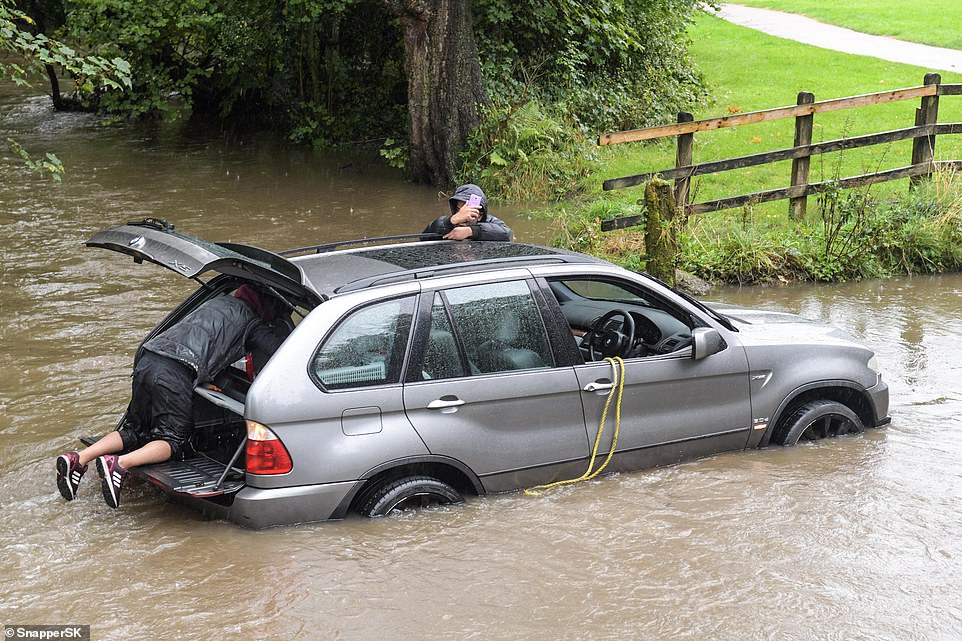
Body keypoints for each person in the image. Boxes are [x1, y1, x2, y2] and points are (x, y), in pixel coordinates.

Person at [55, 284, 291, 509]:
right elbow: (283, 354)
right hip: (176, 369)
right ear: (268, 304)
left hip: (149, 357)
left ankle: (78, 458)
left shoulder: (217, 301)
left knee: (136, 429)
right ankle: (119, 464)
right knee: (174, 441)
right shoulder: (252, 322)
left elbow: (207, 340)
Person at [423, 183, 512, 241]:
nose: (464, 215)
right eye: (460, 210)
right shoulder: (447, 223)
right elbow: (424, 238)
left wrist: (472, 231)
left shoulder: (490, 222)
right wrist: (452, 221)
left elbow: (507, 234)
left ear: (480, 216)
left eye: (470, 211)